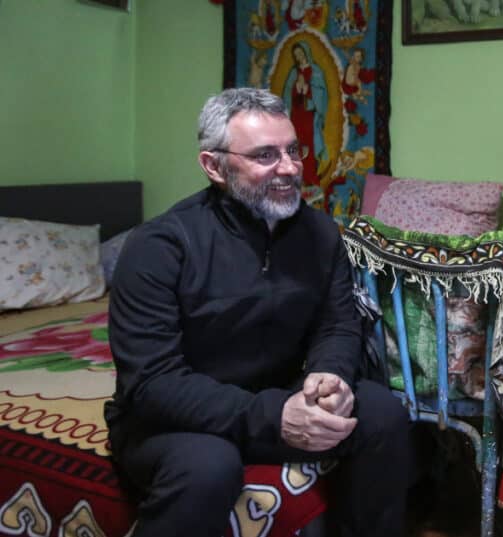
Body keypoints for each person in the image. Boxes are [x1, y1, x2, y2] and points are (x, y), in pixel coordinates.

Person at [104, 88, 412, 537]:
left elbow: (338, 324)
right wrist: (274, 415)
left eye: (293, 150)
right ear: (215, 167)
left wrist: (332, 377)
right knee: (209, 467)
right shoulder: (159, 246)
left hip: (272, 400)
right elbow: (152, 383)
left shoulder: (320, 232)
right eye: (265, 155)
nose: (288, 168)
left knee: (383, 414)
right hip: (174, 418)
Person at [284, 41, 328, 188]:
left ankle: (310, 177)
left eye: (300, 53)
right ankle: (296, 179)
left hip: (309, 114)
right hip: (296, 113)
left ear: (306, 53)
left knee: (309, 144)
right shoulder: (293, 73)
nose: (298, 57)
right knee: (297, 144)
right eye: (296, 55)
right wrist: (297, 89)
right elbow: (287, 93)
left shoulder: (315, 71)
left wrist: (308, 90)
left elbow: (321, 93)